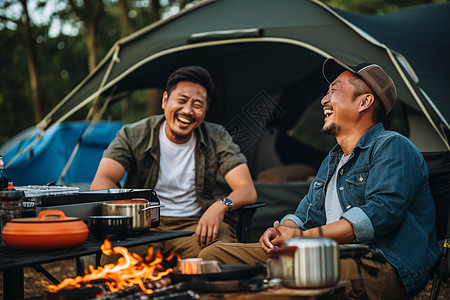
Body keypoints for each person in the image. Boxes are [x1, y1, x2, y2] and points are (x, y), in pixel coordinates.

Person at [198, 58, 440, 299]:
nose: (324, 99)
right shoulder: (332, 160)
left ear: (364, 102)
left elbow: (381, 214)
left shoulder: (392, 146)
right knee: (212, 257)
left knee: (268, 284)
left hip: (376, 265)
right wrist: (284, 230)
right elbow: (306, 214)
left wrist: (301, 238)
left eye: (334, 90)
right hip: (323, 256)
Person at [91, 66, 257, 262]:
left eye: (197, 104)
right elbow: (101, 181)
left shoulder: (216, 136)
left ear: (205, 110)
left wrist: (219, 206)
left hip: (195, 227)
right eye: (182, 100)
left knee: (222, 256)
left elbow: (247, 189)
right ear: (164, 100)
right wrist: (134, 207)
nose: (187, 110)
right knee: (114, 262)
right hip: (142, 228)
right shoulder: (133, 134)